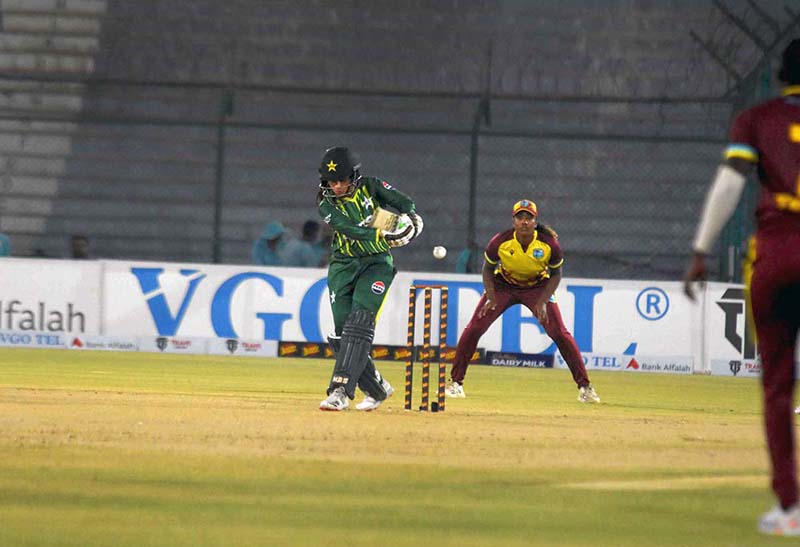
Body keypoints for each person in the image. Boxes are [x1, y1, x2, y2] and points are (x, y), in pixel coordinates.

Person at [683, 39, 800, 536]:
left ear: (778, 74)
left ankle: (791, 509)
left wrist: (701, 251)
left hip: (777, 253)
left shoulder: (757, 118)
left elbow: (730, 185)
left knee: (777, 385)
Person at [447, 199, 600, 404]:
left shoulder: (549, 244)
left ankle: (585, 387)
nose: (524, 222)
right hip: (503, 286)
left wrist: (543, 300)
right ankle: (456, 383)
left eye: (529, 218)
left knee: (559, 333)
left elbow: (556, 274)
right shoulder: (500, 242)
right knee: (474, 328)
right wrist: (491, 296)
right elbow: (487, 269)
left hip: (537, 288)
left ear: (535, 222)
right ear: (514, 221)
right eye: (520, 217)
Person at [316, 146, 423, 411]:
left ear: (354, 176)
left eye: (342, 180)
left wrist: (411, 220)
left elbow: (405, 203)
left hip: (376, 264)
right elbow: (348, 228)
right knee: (342, 335)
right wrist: (386, 234)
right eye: (332, 181)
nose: (337, 186)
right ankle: (377, 388)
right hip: (342, 265)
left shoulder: (372, 186)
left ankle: (339, 390)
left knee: (359, 323)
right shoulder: (324, 201)